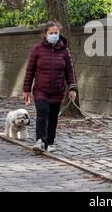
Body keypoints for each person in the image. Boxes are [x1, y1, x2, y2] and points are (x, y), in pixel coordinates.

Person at [23, 21, 77, 152]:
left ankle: (50, 143)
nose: (54, 35)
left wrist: (72, 88)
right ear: (45, 34)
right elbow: (30, 70)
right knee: (42, 113)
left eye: (56, 33)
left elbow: (70, 71)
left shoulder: (64, 51)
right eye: (51, 33)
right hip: (41, 90)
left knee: (53, 117)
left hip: (57, 91)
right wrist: (26, 89)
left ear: (59, 33)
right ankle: (40, 140)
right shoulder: (37, 49)